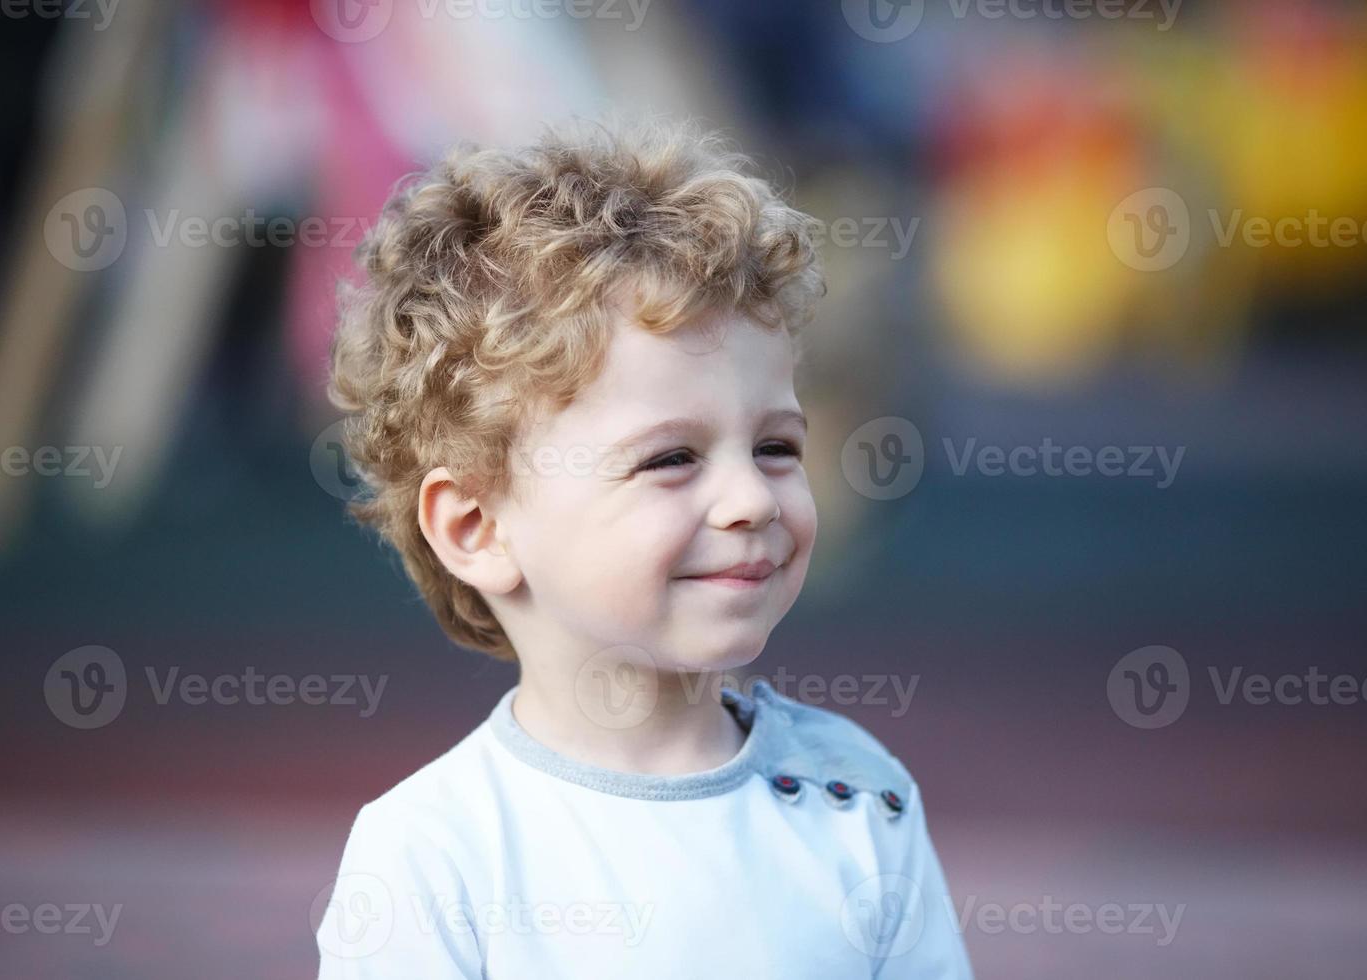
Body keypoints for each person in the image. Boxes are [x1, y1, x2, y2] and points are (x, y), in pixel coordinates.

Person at [315, 114, 973, 979]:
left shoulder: (859, 798)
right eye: (671, 458)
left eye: (776, 446)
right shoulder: (436, 855)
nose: (750, 499)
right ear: (476, 527)